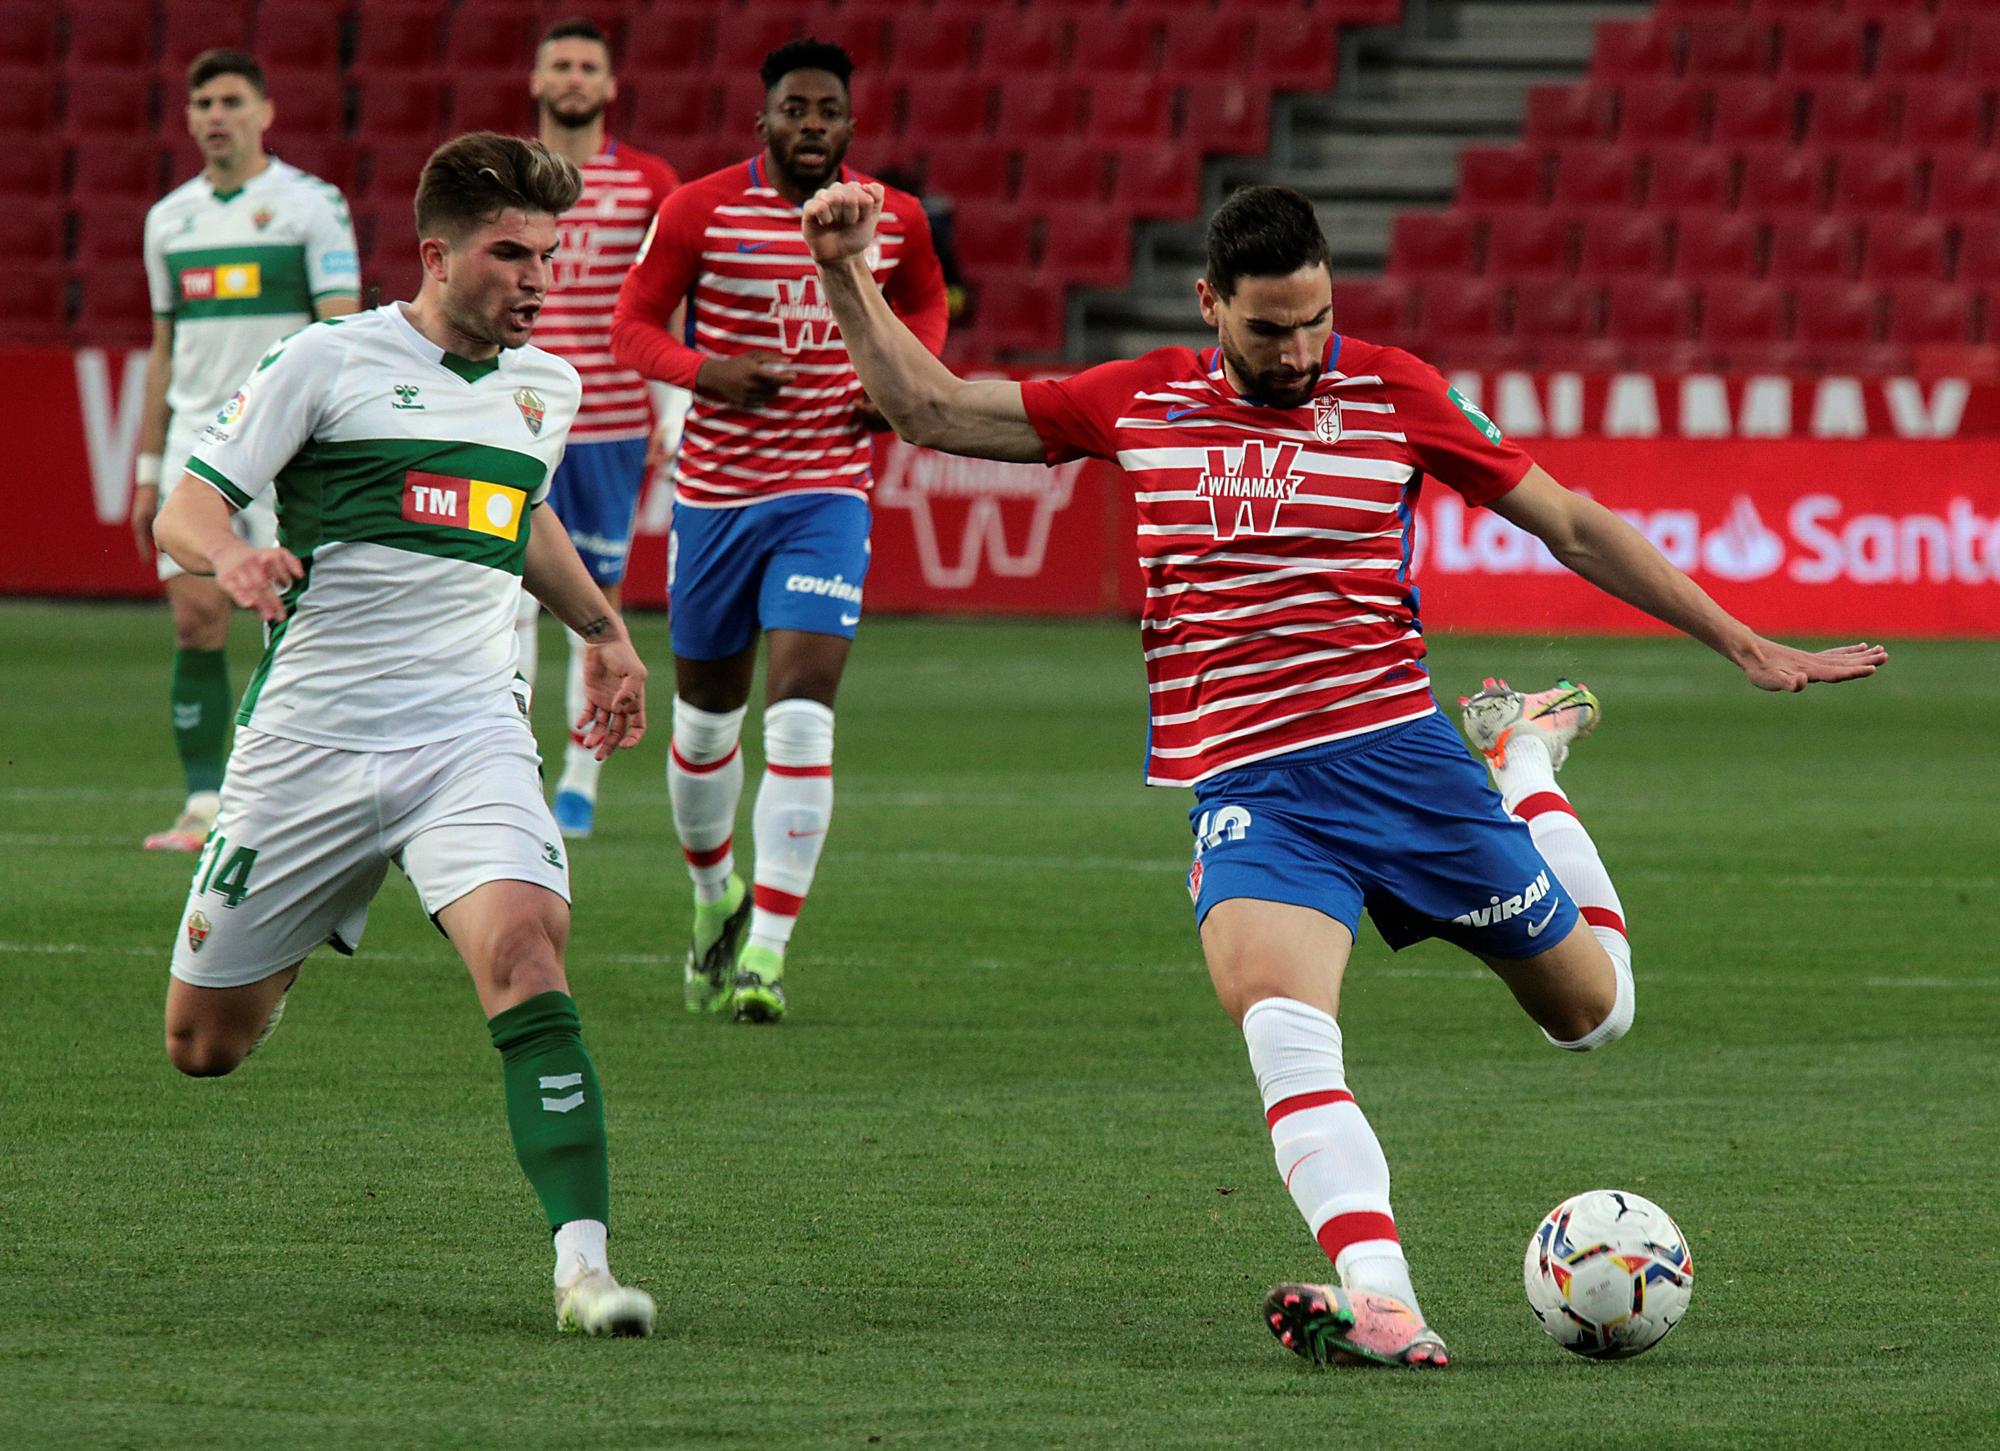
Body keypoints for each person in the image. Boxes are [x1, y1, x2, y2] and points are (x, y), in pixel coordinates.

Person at [799, 180, 1886, 1367]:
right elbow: (928, 407)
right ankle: (1381, 1298)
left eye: (1314, 318)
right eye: (1267, 327)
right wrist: (847, 272)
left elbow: (1566, 523)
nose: (1297, 348)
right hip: (1254, 790)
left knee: (1595, 1013)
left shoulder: (1393, 387)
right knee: (1281, 1025)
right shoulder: (1140, 398)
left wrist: (1742, 639)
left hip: (1409, 764)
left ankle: (1521, 757)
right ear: (1208, 303)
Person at [151, 133, 656, 1337]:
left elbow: (518, 512)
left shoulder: (549, 389)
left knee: (528, 953)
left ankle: (583, 1267)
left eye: (549, 254)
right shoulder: (326, 360)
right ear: (436, 254)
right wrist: (232, 553)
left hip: (465, 736)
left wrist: (605, 629)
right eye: (509, 254)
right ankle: (297, 921)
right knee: (200, 1046)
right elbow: (186, 507)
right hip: (308, 747)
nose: (537, 278)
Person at [610, 38, 948, 1023]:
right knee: (706, 720)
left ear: (849, 124)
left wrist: (901, 384)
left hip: (825, 497)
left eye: (828, 112)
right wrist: (703, 372)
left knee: (800, 712)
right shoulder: (698, 210)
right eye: (794, 109)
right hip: (715, 500)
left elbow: (923, 301)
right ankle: (713, 890)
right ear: (761, 121)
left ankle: (764, 949)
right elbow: (633, 325)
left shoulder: (894, 217)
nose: (812, 126)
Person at [133, 49, 362, 852]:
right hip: (201, 444)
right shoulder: (170, 219)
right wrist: (146, 468)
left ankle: (281, 802)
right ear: (189, 117)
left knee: (289, 624)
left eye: (232, 100)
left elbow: (340, 326)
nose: (216, 115)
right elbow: (163, 349)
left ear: (265, 112)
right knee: (196, 621)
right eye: (203, 102)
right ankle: (203, 803)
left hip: (287, 446)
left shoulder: (311, 205)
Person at [517, 16, 685, 839]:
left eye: (589, 65)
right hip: (511, 413)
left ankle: (581, 774)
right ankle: (512, 762)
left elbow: (670, 299)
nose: (575, 77)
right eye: (562, 65)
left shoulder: (650, 182)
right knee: (498, 593)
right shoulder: (504, 174)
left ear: (610, 85)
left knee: (595, 603)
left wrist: (673, 404)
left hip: (608, 419)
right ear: (538, 82)